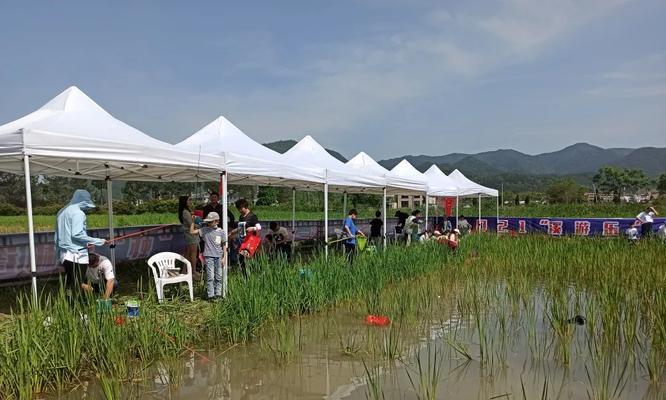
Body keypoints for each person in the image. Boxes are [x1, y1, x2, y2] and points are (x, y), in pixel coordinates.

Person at [55, 190, 107, 296]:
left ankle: (68, 306)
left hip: (64, 254)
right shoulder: (78, 213)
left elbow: (57, 235)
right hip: (77, 255)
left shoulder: (62, 211)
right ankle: (77, 309)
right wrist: (98, 241)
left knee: (70, 282)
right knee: (78, 284)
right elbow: (77, 234)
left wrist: (58, 253)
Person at [190, 212, 226, 300]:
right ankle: (211, 295)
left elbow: (224, 245)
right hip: (209, 256)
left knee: (219, 276)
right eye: (208, 222)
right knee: (210, 276)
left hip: (218, 256)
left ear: (217, 221)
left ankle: (218, 294)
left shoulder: (221, 232)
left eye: (211, 221)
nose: (209, 223)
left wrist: (224, 257)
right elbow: (192, 232)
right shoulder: (204, 230)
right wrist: (192, 222)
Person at [231, 199, 261, 277]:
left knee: (247, 259)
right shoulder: (241, 216)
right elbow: (240, 227)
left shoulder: (252, 216)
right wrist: (231, 233)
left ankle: (253, 275)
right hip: (243, 241)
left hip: (251, 241)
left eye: (241, 208)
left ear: (245, 207)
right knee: (242, 259)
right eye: (238, 209)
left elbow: (259, 227)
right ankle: (246, 276)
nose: (240, 210)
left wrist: (252, 228)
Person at [178, 196, 200, 277]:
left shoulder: (186, 211)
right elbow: (191, 224)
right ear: (185, 202)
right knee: (193, 253)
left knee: (188, 253)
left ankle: (184, 271)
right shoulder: (186, 212)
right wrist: (200, 226)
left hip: (189, 234)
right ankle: (193, 271)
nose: (191, 201)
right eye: (189, 200)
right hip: (191, 235)